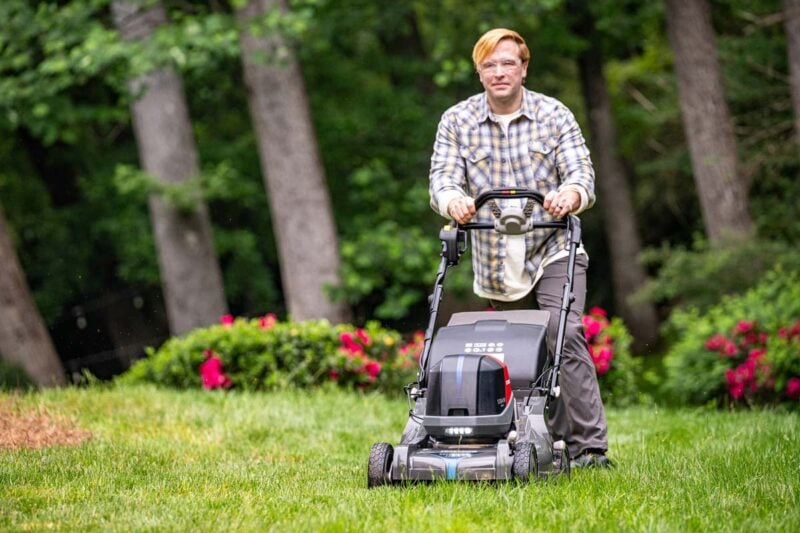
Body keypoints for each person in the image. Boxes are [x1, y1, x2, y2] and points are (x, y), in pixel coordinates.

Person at [428, 28, 611, 468]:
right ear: (479, 74)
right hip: (495, 260)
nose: (499, 72)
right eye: (489, 65)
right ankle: (527, 436)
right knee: (519, 350)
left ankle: (590, 448)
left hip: (554, 246)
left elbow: (581, 173)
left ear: (524, 68)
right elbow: (443, 178)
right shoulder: (457, 120)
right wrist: (453, 200)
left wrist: (569, 195)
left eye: (507, 63)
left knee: (562, 332)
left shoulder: (554, 115)